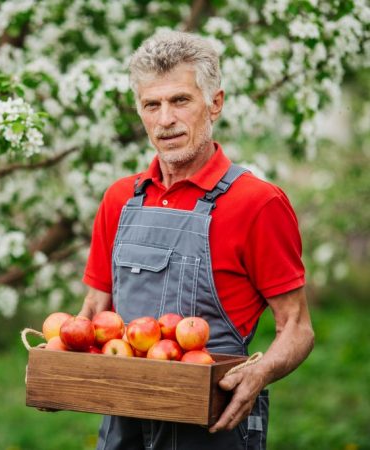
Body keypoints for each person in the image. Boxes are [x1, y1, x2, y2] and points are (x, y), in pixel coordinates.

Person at [77, 30, 315, 450]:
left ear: (215, 103)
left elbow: (297, 328)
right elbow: (95, 311)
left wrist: (258, 374)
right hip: (123, 425)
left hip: (212, 425)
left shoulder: (257, 203)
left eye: (180, 101)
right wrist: (63, 374)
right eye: (152, 104)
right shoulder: (119, 199)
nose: (165, 119)